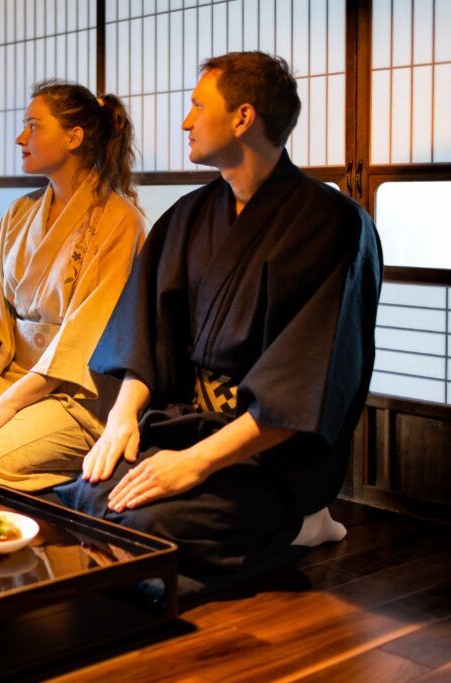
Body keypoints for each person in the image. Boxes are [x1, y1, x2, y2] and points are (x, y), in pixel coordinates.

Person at [56, 52, 382, 573]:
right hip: (188, 425)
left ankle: (304, 523)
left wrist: (193, 466)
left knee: (145, 528)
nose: (186, 120)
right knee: (84, 497)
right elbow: (149, 331)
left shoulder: (334, 224)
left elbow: (305, 386)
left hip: (268, 454)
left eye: (197, 105)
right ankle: (267, 523)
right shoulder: (189, 216)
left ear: (243, 118)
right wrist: (121, 419)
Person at [0, 79, 145, 491]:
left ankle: (27, 542)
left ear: (74, 136)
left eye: (34, 126)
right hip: (10, 376)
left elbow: (82, 339)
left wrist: (5, 406)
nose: (21, 137)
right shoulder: (18, 213)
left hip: (75, 394)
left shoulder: (120, 220)